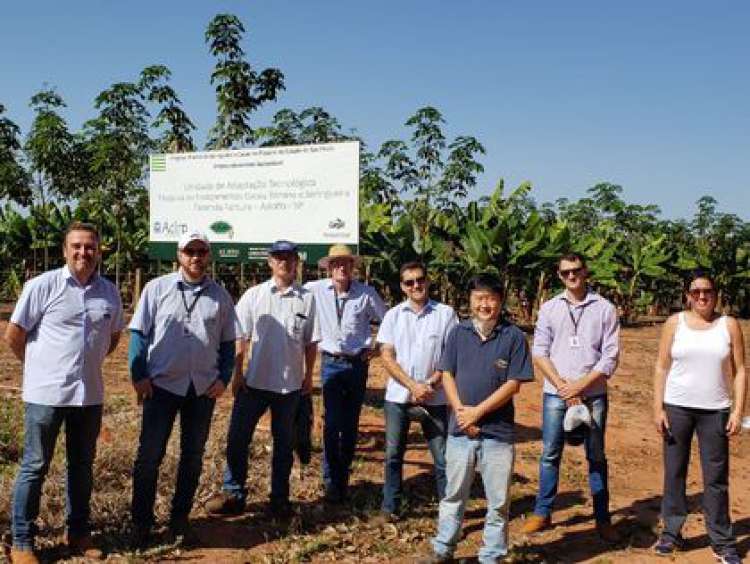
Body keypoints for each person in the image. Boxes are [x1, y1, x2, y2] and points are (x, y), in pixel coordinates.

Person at [5, 222, 124, 564]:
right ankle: (23, 541)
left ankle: (78, 532)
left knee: (82, 466)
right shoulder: (42, 286)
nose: (83, 252)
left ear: (99, 251)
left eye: (90, 246)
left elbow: (112, 338)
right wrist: (42, 368)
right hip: (45, 395)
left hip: (88, 396)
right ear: (64, 250)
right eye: (76, 246)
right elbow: (15, 334)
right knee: (35, 465)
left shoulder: (110, 292)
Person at [128, 231, 239, 546]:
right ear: (179, 255)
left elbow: (229, 342)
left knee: (192, 456)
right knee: (149, 456)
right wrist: (138, 375)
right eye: (190, 251)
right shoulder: (156, 288)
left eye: (201, 251)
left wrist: (224, 378)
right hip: (161, 387)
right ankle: (141, 523)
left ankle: (179, 520)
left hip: (202, 390)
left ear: (208, 255)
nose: (196, 257)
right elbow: (138, 335)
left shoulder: (220, 296)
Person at [425, 274, 534, 563]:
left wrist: (478, 412)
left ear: (500, 301)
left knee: (498, 502)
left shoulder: (513, 337)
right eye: (479, 298)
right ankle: (442, 549)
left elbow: (514, 384)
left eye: (490, 298)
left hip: (498, 433)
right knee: (453, 495)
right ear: (470, 301)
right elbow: (447, 373)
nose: (485, 305)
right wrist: (461, 411)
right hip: (460, 430)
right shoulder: (458, 333)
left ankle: (491, 555)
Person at [206, 240, 319, 517]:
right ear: (270, 262)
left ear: (296, 262)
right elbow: (239, 337)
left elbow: (310, 342)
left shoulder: (307, 298)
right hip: (253, 383)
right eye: (279, 257)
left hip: (289, 386)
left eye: (290, 257)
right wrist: (237, 374)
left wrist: (307, 377)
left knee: (283, 446)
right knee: (237, 439)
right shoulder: (254, 295)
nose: (285, 262)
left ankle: (279, 499)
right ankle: (233, 493)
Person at [522, 253, 621, 542]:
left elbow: (610, 357)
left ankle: (602, 518)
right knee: (550, 454)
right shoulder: (550, 308)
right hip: (556, 393)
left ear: (586, 271)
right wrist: (563, 386)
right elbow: (539, 351)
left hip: (593, 394)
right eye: (566, 272)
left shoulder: (605, 308)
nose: (572, 276)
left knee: (596, 456)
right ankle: (543, 512)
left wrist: (579, 386)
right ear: (559, 275)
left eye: (576, 270)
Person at [652, 272, 746, 563]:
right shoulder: (674, 323)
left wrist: (738, 411)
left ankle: (722, 541)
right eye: (696, 292)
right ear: (687, 295)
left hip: (715, 410)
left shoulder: (728, 325)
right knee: (674, 473)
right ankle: (671, 533)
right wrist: (658, 408)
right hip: (677, 407)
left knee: (716, 477)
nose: (702, 296)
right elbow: (661, 367)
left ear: (716, 294)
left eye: (707, 291)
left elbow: (741, 370)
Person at [304, 244, 387, 503]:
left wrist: (376, 349)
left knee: (350, 424)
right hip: (330, 364)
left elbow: (388, 321)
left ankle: (343, 478)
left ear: (353, 267)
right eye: (336, 263)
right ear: (329, 268)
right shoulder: (314, 290)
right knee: (331, 424)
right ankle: (330, 480)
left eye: (346, 263)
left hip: (357, 365)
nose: (341, 267)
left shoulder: (366, 293)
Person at [375, 261, 457, 521]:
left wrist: (430, 384)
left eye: (420, 280)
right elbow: (386, 355)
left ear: (427, 281)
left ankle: (449, 511)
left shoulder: (445, 314)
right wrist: (412, 385)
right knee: (392, 455)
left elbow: (451, 355)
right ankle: (391, 507)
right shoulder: (393, 315)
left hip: (435, 397)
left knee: (442, 457)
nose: (416, 285)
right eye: (409, 282)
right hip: (398, 397)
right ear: (402, 287)